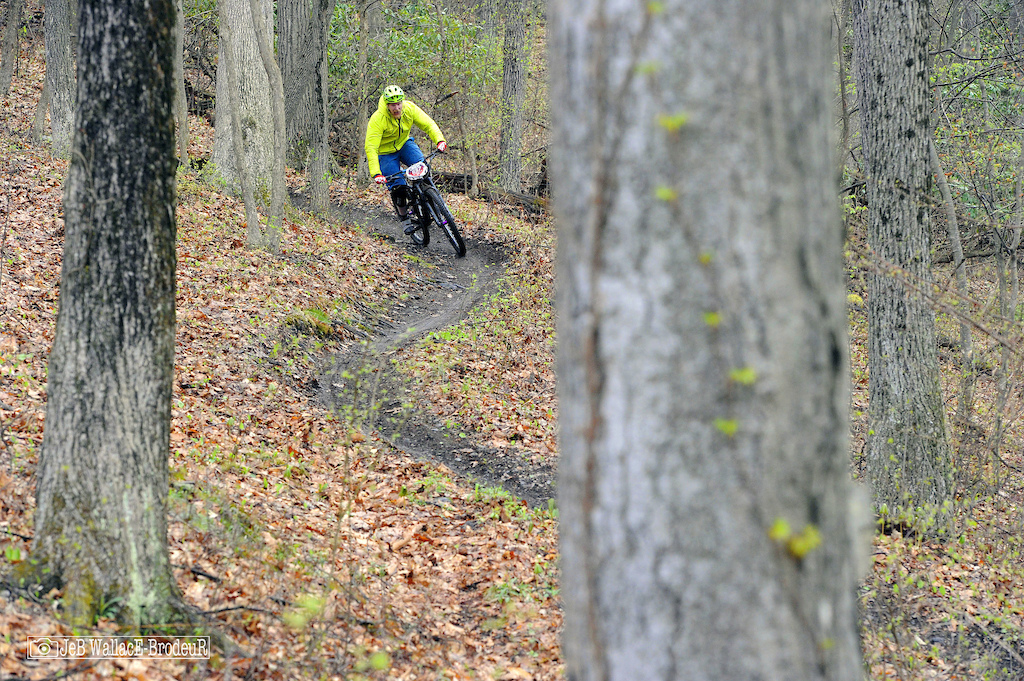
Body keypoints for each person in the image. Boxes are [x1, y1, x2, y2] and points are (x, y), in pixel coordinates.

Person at [365, 85, 447, 234]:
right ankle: (404, 218)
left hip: (404, 144)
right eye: (392, 105)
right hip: (385, 153)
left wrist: (439, 140)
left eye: (398, 104)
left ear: (402, 102)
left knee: (424, 169)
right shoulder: (378, 119)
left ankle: (431, 198)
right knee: (399, 188)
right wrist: (376, 173)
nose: (396, 108)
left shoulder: (409, 109)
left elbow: (428, 124)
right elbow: (371, 147)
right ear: (387, 104)